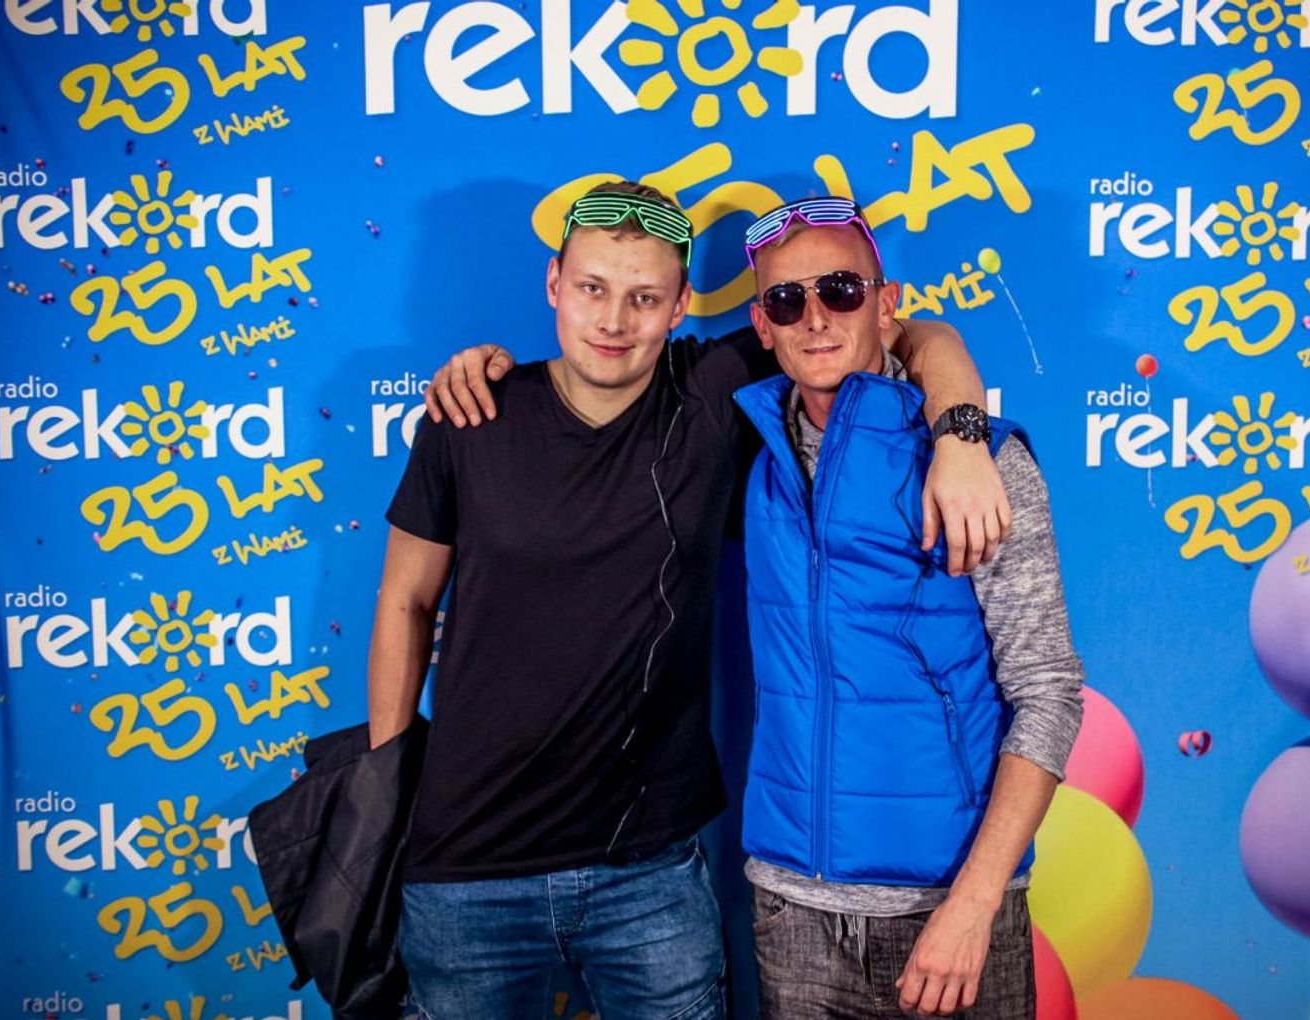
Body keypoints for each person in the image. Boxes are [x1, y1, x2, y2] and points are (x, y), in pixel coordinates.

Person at [372, 181, 1005, 1019]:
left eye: (644, 298)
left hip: (649, 872)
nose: (613, 320)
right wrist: (384, 791)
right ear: (554, 283)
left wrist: (961, 435)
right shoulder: (472, 415)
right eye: (592, 288)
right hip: (466, 867)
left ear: (678, 309)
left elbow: (909, 332)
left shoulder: (714, 391)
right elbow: (404, 601)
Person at [731, 199, 1085, 1019]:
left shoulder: (980, 461)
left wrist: (975, 904)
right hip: (792, 912)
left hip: (950, 911)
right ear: (761, 324)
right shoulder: (754, 455)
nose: (816, 318)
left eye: (841, 290)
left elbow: (1049, 692)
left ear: (886, 304)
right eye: (787, 300)